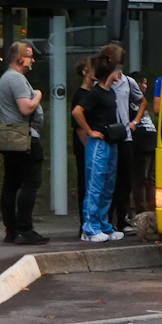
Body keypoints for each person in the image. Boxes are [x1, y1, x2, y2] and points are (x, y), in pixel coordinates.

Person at [0, 41, 49, 246]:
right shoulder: (16, 79)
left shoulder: (6, 78)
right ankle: (25, 229)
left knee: (11, 183)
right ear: (19, 58)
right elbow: (26, 108)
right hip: (23, 138)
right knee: (31, 182)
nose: (32, 59)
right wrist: (38, 95)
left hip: (11, 138)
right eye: (29, 55)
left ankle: (12, 229)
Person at [72, 54, 125, 242]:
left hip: (111, 141)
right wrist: (90, 131)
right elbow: (77, 111)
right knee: (95, 184)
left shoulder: (110, 92)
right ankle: (89, 227)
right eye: (116, 70)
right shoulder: (95, 93)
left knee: (107, 185)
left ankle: (103, 224)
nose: (119, 74)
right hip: (99, 142)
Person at [99, 45, 145, 233]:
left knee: (125, 179)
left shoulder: (128, 82)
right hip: (109, 135)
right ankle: (107, 219)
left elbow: (142, 101)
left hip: (125, 135)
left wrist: (135, 121)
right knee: (109, 179)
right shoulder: (101, 84)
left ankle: (123, 218)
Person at [69, 57, 95, 233]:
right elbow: (79, 127)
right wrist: (89, 147)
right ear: (85, 72)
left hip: (90, 144)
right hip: (85, 146)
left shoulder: (92, 94)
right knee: (85, 183)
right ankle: (84, 222)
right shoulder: (80, 95)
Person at [129, 71, 158, 214]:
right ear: (137, 84)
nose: (146, 86)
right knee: (141, 178)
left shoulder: (140, 101)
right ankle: (142, 210)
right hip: (141, 140)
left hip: (150, 139)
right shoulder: (130, 100)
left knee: (150, 178)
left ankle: (152, 208)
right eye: (144, 83)